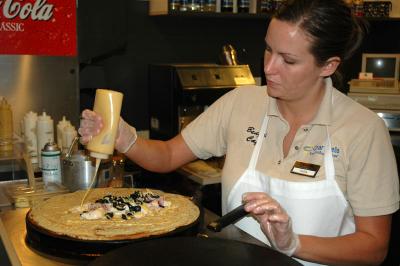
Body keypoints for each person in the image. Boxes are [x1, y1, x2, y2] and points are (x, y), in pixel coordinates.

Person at [79, 0, 399, 265]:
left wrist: (293, 243)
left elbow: (373, 247)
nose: (269, 67)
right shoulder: (241, 103)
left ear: (328, 66)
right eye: (268, 50)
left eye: (288, 60)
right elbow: (168, 155)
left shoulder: (362, 131)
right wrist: (126, 138)